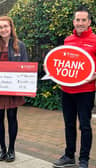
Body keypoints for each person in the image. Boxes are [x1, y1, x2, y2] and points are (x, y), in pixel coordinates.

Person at [53, 6, 96, 168]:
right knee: (69, 124)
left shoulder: (95, 40)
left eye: (83, 20)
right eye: (77, 20)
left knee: (85, 125)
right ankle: (69, 155)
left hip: (86, 91)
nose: (80, 23)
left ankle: (84, 159)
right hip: (67, 90)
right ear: (74, 21)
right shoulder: (68, 41)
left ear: (89, 22)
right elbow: (63, 62)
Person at [0, 16, 28, 162]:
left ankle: (11, 149)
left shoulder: (20, 46)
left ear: (11, 28)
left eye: (5, 26)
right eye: (0, 27)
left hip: (13, 90)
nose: (3, 29)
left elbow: (25, 67)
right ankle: (2, 149)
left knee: (12, 118)